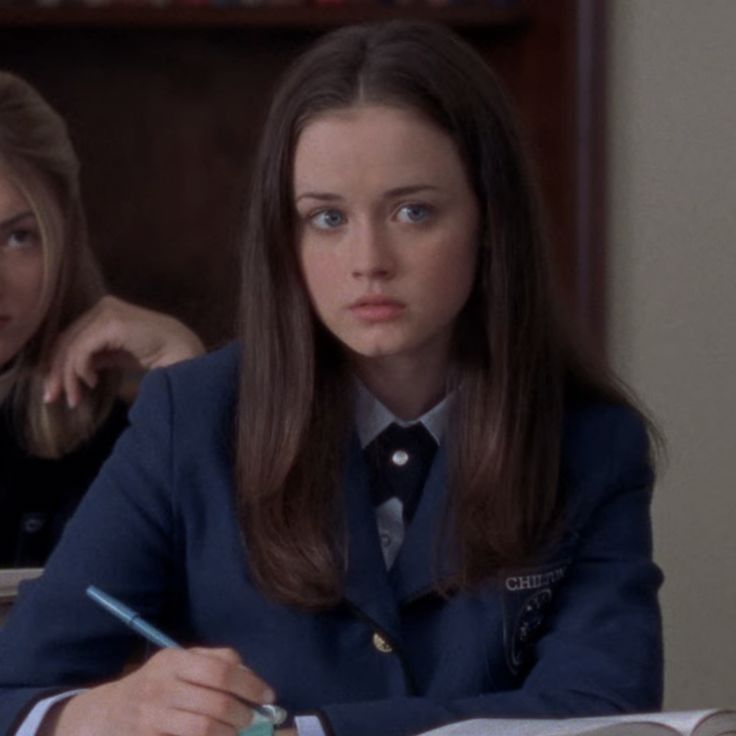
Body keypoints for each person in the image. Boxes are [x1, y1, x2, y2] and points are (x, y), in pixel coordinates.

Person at [0, 21, 663, 736]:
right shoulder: (188, 416)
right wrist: (98, 710)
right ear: (284, 237)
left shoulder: (594, 442)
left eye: (413, 212)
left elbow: (604, 711)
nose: (368, 259)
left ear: (490, 220)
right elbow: (14, 688)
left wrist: (307, 731)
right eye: (326, 218)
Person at [0, 70, 204, 567]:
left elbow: (233, 607)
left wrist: (190, 376)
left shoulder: (116, 446)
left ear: (63, 240)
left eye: (17, 237)